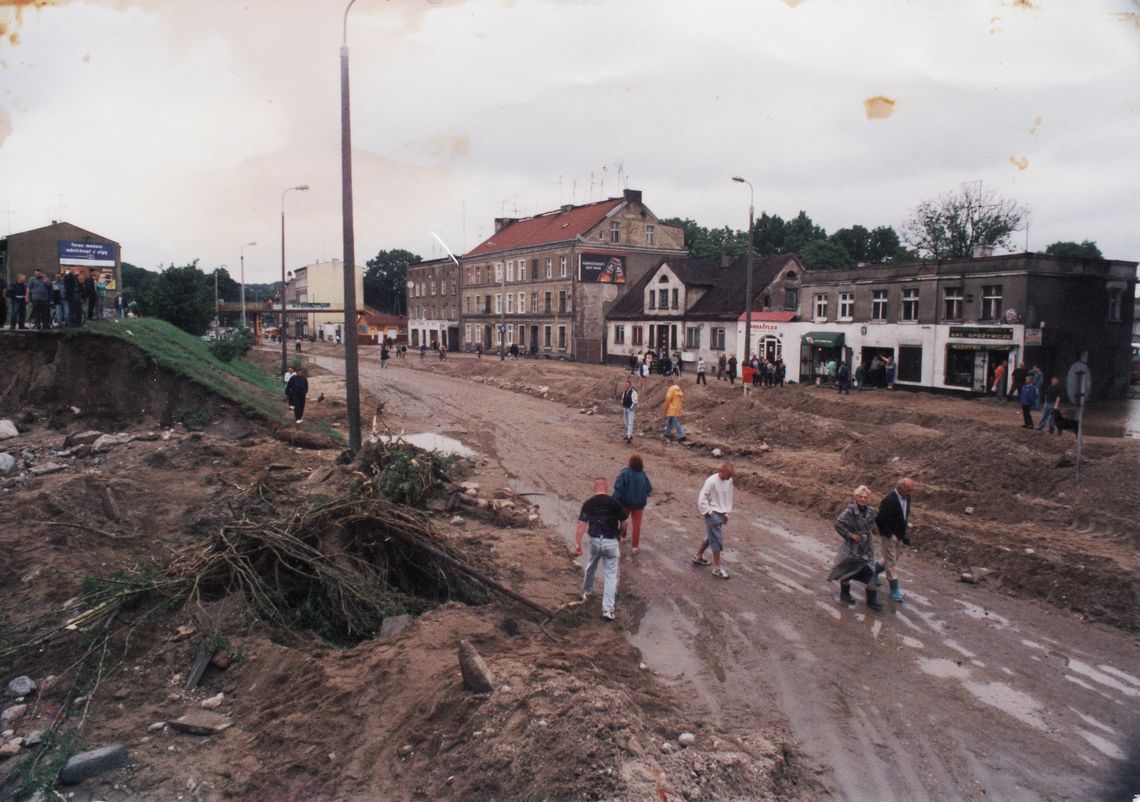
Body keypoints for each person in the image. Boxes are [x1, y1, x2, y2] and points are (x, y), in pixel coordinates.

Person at [573, 477, 629, 621]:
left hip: (595, 540)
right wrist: (621, 535)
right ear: (606, 487)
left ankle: (587, 591)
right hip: (611, 541)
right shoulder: (614, 503)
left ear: (594, 488)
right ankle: (608, 610)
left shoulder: (588, 504)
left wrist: (578, 545)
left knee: (591, 566)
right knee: (610, 576)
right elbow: (625, 522)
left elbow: (581, 526)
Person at [827, 485, 882, 610]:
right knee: (849, 570)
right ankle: (845, 593)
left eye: (865, 497)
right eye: (861, 497)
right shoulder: (849, 511)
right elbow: (839, 523)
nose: (863, 499)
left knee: (870, 569)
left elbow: (877, 521)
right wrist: (850, 535)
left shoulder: (871, 511)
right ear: (856, 497)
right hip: (853, 546)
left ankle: (871, 599)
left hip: (866, 546)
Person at [875, 477, 915, 603]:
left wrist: (902, 535)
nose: (910, 493)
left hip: (899, 534)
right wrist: (889, 534)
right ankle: (894, 589)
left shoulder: (907, 497)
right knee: (891, 562)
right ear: (900, 488)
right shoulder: (889, 500)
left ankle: (872, 572)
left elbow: (904, 516)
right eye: (908, 490)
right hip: (889, 535)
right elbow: (880, 519)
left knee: (891, 559)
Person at [693, 462, 734, 579]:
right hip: (711, 513)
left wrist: (725, 512)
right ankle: (717, 568)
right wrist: (709, 512)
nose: (730, 477)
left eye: (731, 475)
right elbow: (702, 498)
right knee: (716, 538)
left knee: (710, 536)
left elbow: (727, 497)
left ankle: (698, 556)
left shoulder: (729, 481)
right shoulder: (711, 481)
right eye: (728, 475)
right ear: (721, 471)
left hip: (720, 512)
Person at [613, 454, 652, 555]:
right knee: (637, 525)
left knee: (624, 521)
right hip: (639, 505)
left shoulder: (625, 473)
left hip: (625, 502)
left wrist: (615, 500)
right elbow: (649, 488)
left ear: (630, 462)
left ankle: (622, 536)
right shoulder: (643, 474)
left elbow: (618, 488)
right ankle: (635, 547)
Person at [620, 377, 638, 443]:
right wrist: (622, 404)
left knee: (630, 422)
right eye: (625, 385)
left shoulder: (633, 392)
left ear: (630, 385)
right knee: (626, 422)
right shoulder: (625, 392)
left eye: (627, 385)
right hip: (625, 408)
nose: (625, 386)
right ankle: (629, 434)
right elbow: (622, 399)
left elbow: (635, 401)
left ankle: (629, 436)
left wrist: (631, 408)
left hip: (630, 409)